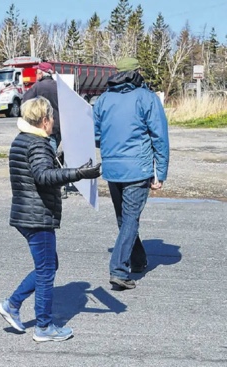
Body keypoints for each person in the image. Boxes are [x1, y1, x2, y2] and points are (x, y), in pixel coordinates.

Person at [0, 97, 100, 342]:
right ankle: (43, 326)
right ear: (44, 121)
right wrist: (78, 174)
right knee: (46, 270)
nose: (54, 121)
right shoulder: (39, 144)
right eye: (52, 117)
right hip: (37, 215)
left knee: (48, 265)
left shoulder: (21, 139)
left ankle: (12, 305)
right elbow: (43, 176)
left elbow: (38, 171)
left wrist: (63, 162)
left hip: (25, 212)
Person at [94, 57, 169, 290]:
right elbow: (160, 136)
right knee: (129, 219)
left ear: (117, 73)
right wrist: (161, 172)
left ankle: (138, 260)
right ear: (138, 72)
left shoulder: (103, 99)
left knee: (124, 219)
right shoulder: (147, 98)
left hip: (113, 168)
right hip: (139, 168)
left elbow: (96, 136)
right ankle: (118, 269)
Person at [22, 62, 60, 153]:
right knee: (52, 152)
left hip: (42, 126)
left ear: (41, 73)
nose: (36, 75)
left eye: (37, 72)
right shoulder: (59, 86)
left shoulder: (37, 86)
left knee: (46, 155)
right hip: (57, 127)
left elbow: (25, 102)